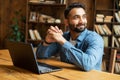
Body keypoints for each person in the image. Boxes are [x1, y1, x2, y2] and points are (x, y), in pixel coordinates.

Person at [36, 2, 104, 71]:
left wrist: (63, 42)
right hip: (67, 75)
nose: (82, 21)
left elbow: (88, 64)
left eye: (83, 17)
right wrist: (47, 42)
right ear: (66, 22)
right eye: (76, 17)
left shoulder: (95, 39)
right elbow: (40, 56)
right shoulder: (64, 36)